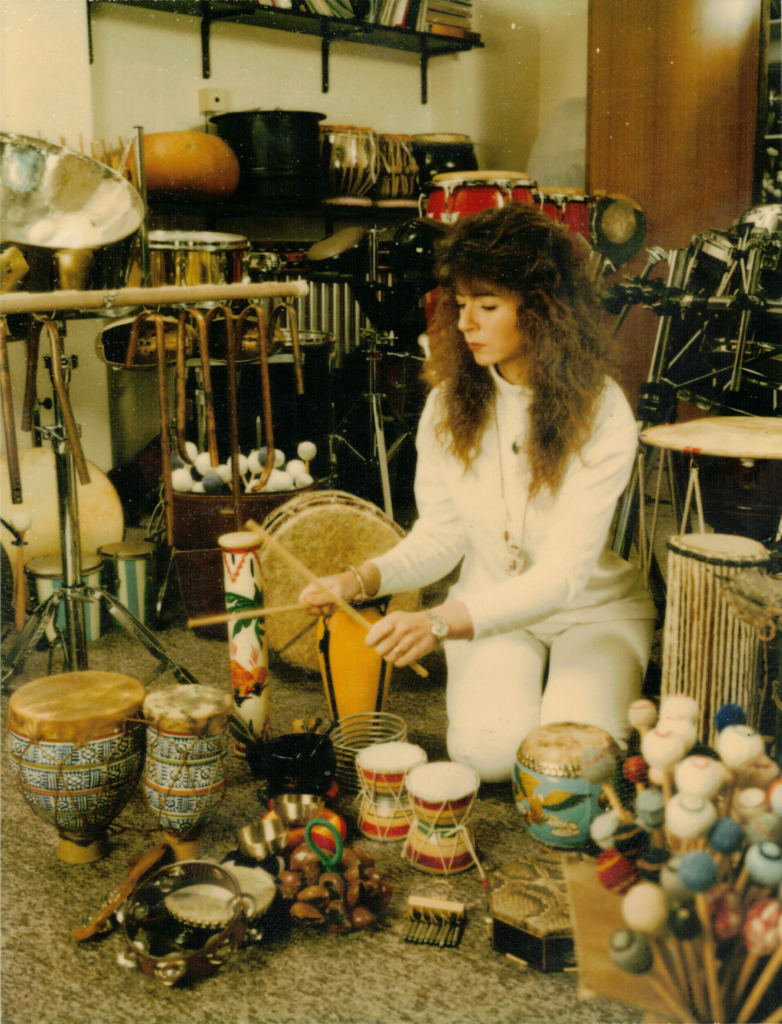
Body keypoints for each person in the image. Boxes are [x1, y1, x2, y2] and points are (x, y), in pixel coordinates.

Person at [299, 203, 657, 783]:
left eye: (487, 306)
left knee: (573, 767)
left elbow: (563, 576)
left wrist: (439, 623)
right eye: (460, 305)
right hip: (491, 608)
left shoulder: (601, 408)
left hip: (591, 611)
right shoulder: (448, 404)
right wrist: (359, 580)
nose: (465, 323)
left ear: (541, 311)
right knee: (488, 759)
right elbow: (441, 535)